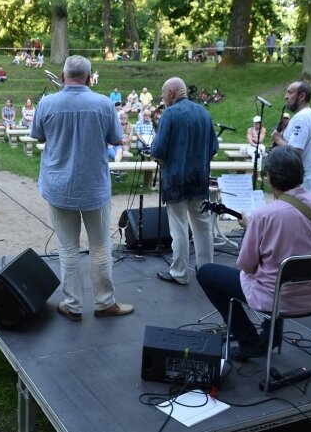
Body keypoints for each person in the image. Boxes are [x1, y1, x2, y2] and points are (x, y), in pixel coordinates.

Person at [196, 147, 311, 359]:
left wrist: (252, 230)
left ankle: (249, 340)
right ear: (301, 174)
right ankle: (271, 333)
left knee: (207, 272)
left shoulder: (263, 216)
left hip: (274, 300)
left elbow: (247, 266)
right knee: (278, 268)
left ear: (269, 178)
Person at [30, 55, 133, 321]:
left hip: (58, 185)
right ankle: (104, 302)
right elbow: (115, 139)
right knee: (100, 247)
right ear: (89, 78)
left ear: (63, 77)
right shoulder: (104, 103)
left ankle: (73, 305)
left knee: (67, 248)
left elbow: (38, 135)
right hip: (94, 187)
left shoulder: (47, 103)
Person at [152, 77, 219, 284]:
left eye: (163, 94)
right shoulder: (204, 113)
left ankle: (180, 273)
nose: (163, 98)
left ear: (172, 92)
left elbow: (158, 150)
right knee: (203, 226)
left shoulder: (170, 114)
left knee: (179, 226)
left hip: (176, 181)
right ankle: (208, 272)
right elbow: (214, 148)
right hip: (199, 180)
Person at [271, 81, 311, 191]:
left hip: (296, 184)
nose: (286, 97)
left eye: (290, 93)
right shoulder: (309, 115)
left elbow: (295, 152)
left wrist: (278, 139)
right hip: (301, 182)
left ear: (302, 96)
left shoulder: (302, 118)